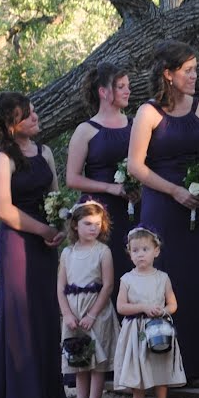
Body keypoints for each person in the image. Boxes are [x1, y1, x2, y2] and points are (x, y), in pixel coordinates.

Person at [128, 41, 199, 386]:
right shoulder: (149, 113)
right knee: (167, 276)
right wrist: (175, 191)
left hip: (198, 206)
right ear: (168, 74)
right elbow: (136, 166)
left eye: (196, 69)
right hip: (163, 206)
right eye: (188, 70)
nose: (195, 76)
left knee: (197, 277)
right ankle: (164, 367)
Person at [0, 91, 67, 398]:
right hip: (17, 242)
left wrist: (59, 225)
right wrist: (42, 229)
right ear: (11, 124)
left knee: (45, 311)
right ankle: (21, 395)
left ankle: (48, 391)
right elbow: (2, 209)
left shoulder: (45, 152)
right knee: (20, 314)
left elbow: (55, 194)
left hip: (46, 243)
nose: (35, 117)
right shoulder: (2, 159)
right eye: (27, 114)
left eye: (34, 111)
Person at [66, 63, 135, 283]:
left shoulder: (135, 125)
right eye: (121, 87)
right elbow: (72, 178)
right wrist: (110, 188)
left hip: (134, 206)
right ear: (103, 92)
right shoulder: (86, 130)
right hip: (101, 213)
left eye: (128, 86)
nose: (128, 91)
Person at [114, 226, 185, 398]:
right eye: (135, 250)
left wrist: (163, 311)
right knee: (138, 369)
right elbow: (121, 307)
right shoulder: (127, 279)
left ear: (156, 251)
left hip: (158, 329)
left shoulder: (162, 277)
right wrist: (143, 307)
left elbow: (173, 304)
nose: (140, 254)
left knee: (160, 367)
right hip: (135, 331)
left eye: (145, 249)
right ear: (129, 254)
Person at [57, 200, 117, 398]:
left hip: (96, 312)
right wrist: (66, 314)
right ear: (75, 225)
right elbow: (60, 287)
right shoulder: (67, 253)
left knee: (96, 363)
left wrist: (92, 314)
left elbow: (108, 285)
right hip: (74, 314)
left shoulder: (103, 252)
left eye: (97, 224)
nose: (93, 228)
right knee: (79, 361)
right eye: (87, 224)